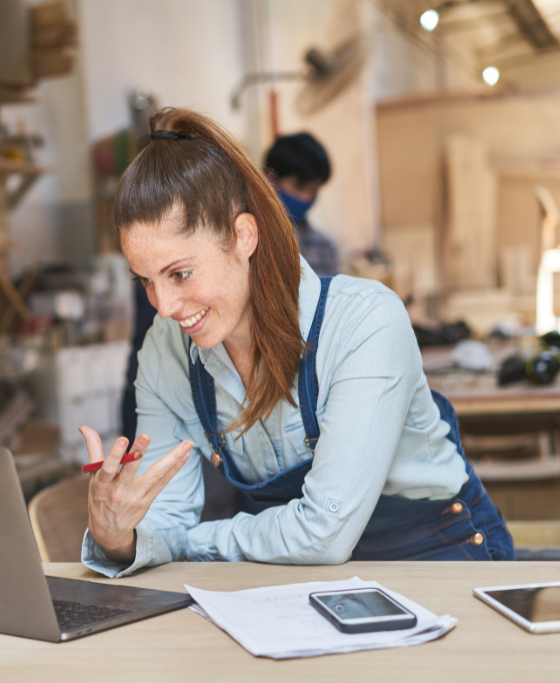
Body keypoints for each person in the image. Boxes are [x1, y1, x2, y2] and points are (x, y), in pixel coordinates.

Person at [78, 108, 513, 577]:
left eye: (180, 274)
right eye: (146, 281)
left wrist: (191, 541)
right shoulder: (166, 352)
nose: (162, 306)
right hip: (299, 577)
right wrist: (119, 535)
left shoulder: (365, 323)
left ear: (243, 235)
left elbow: (323, 532)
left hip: (437, 557)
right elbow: (162, 525)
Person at [265, 133, 339, 276]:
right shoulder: (248, 238)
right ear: (271, 179)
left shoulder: (324, 248)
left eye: (314, 190)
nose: (306, 197)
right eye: (299, 187)